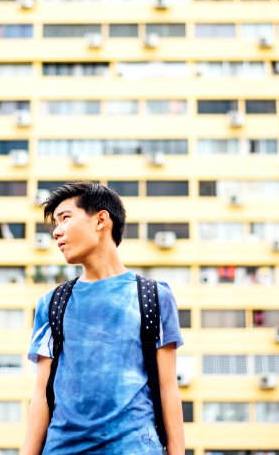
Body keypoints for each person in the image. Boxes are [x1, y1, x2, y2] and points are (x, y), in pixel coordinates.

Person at [22, 181, 185, 455]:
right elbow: (41, 394)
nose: (57, 232)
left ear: (100, 220)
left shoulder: (154, 296)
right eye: (55, 225)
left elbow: (169, 389)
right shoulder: (51, 304)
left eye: (65, 218)